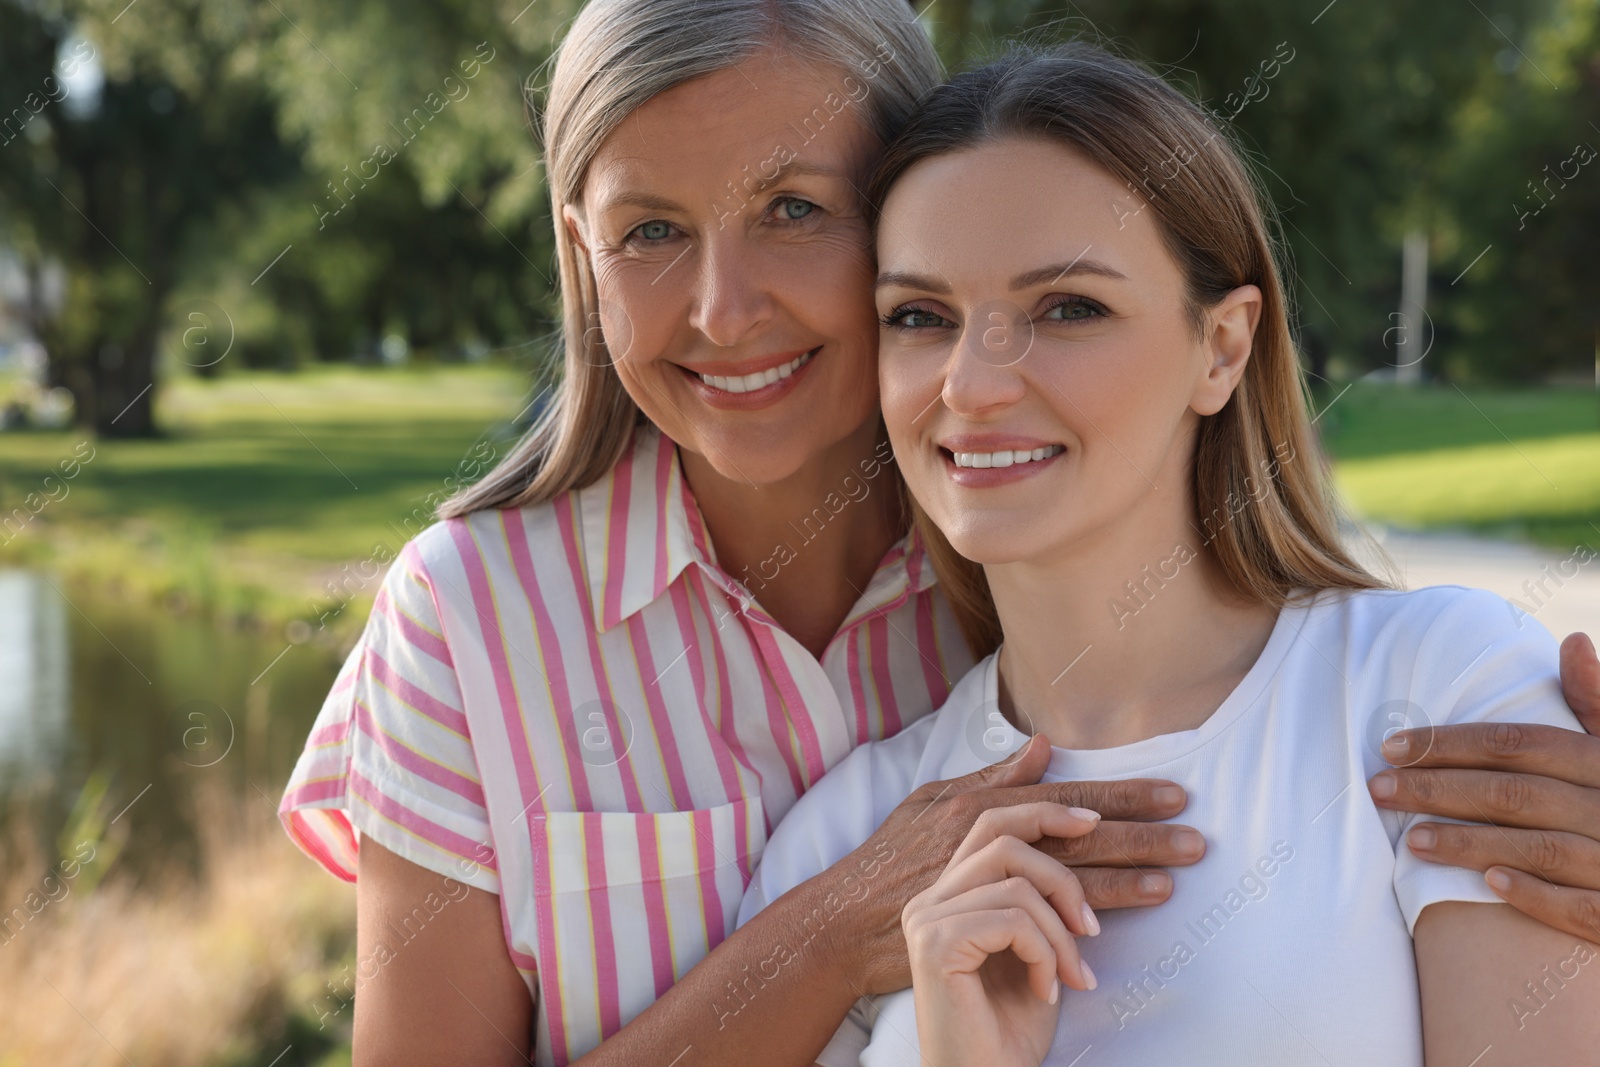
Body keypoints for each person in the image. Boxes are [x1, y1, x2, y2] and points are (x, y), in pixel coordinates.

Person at [277, 3, 1600, 1065]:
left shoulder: (1431, 688)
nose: (725, 307)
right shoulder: (809, 812)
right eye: (651, 232)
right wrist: (829, 938)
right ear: (579, 253)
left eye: (794, 207)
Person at [738, 42, 1600, 1066]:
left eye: (1068, 308)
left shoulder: (1435, 692)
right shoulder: (840, 845)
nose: (969, 382)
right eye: (920, 316)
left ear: (1222, 347)